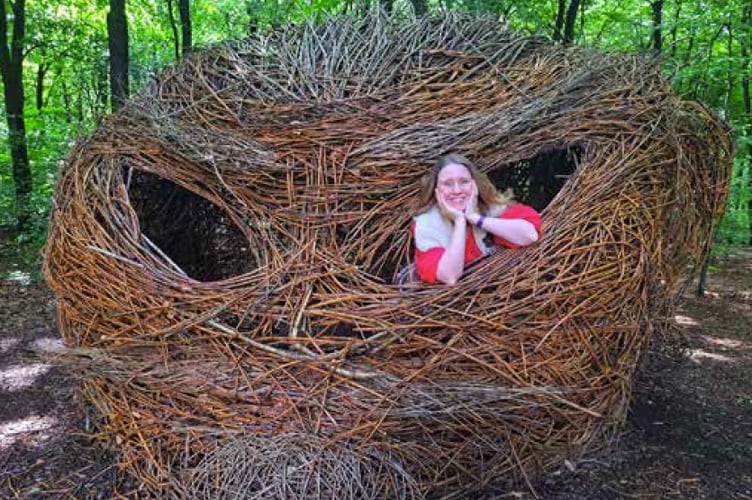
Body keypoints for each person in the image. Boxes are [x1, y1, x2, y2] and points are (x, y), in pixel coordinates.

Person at [412, 154, 542, 285]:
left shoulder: (491, 207)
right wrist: (460, 221)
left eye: (464, 182)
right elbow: (450, 277)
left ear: (474, 184)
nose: (457, 190)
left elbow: (529, 236)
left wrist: (475, 218)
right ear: (436, 190)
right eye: (447, 184)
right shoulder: (427, 225)